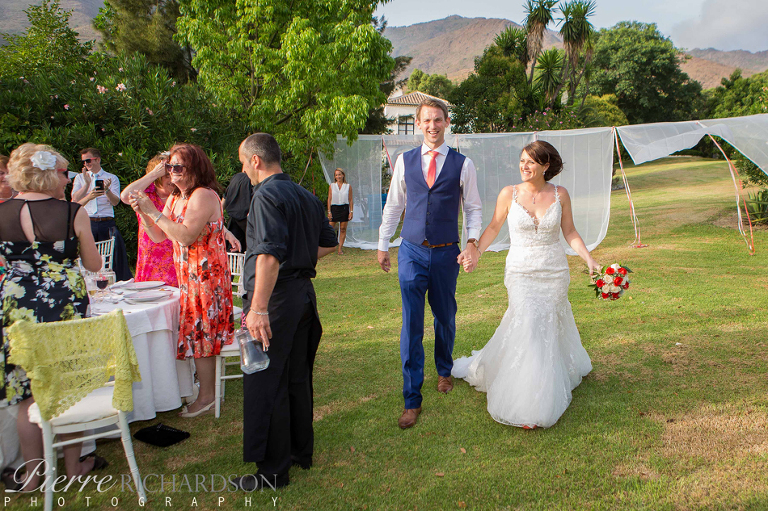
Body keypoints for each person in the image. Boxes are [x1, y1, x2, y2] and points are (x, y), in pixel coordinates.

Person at [452, 140, 600, 429]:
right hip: (520, 271)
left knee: (546, 325)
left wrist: (589, 259)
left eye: (531, 161)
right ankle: (528, 402)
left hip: (554, 271)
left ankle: (547, 384)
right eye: (522, 160)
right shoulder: (509, 193)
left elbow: (569, 231)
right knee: (529, 322)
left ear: (545, 166)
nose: (524, 166)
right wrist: (476, 252)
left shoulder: (560, 194)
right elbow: (494, 226)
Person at [0, 143, 105, 491]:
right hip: (63, 302)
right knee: (67, 386)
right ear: (48, 175)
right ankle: (74, 466)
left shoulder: (1, 213)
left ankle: (32, 476)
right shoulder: (71, 212)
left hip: (17, 305)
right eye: (63, 173)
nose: (68, 179)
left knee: (27, 393)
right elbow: (93, 265)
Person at [236, 133, 337, 491]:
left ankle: (272, 471)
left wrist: (258, 308)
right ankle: (299, 452)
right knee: (296, 376)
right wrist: (301, 259)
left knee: (267, 381)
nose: (244, 171)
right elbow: (330, 243)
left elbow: (268, 255)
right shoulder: (306, 196)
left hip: (276, 300)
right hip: (302, 297)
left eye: (243, 163)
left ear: (256, 161)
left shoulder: (266, 195)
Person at [377, 98, 482, 429]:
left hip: (446, 252)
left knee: (445, 316)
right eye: (427, 121)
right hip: (411, 251)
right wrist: (383, 245)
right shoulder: (405, 161)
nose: (432, 126)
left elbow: (474, 209)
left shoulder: (463, 164)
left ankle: (444, 369)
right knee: (411, 324)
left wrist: (470, 242)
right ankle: (412, 399)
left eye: (438, 120)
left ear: (447, 122)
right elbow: (394, 206)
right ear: (418, 123)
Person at [129, 143, 234, 417]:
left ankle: (207, 396)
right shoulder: (176, 197)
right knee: (197, 335)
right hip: (188, 277)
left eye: (178, 167)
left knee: (203, 336)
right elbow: (160, 236)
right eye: (169, 167)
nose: (171, 172)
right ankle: (203, 392)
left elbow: (186, 236)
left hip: (206, 277)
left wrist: (153, 211)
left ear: (195, 168)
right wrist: (144, 212)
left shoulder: (203, 196)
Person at [71, 148, 132, 281]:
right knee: (88, 257)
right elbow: (74, 200)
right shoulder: (80, 178)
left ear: (97, 159)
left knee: (112, 257)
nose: (86, 164)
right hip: (88, 222)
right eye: (84, 162)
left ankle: (116, 283)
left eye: (88, 160)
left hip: (106, 222)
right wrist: (86, 185)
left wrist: (107, 190)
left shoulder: (111, 178)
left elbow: (116, 202)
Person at [120, 154, 179, 286]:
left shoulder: (178, 196)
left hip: (173, 253)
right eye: (167, 176)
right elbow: (124, 196)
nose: (172, 180)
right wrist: (153, 174)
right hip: (150, 254)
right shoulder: (146, 194)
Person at [222, 171, 253, 252]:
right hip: (247, 222)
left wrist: (218, 216)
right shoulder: (252, 181)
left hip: (233, 222)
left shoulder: (235, 178)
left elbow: (224, 198)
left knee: (233, 250)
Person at [327, 168, 353, 255]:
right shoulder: (332, 186)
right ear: (335, 176)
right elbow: (329, 199)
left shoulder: (348, 186)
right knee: (330, 228)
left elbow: (350, 199)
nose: (338, 176)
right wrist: (329, 211)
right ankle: (330, 245)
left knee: (342, 229)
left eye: (339, 174)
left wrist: (351, 211)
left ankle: (340, 248)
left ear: (343, 175)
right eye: (336, 175)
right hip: (334, 208)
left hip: (344, 208)